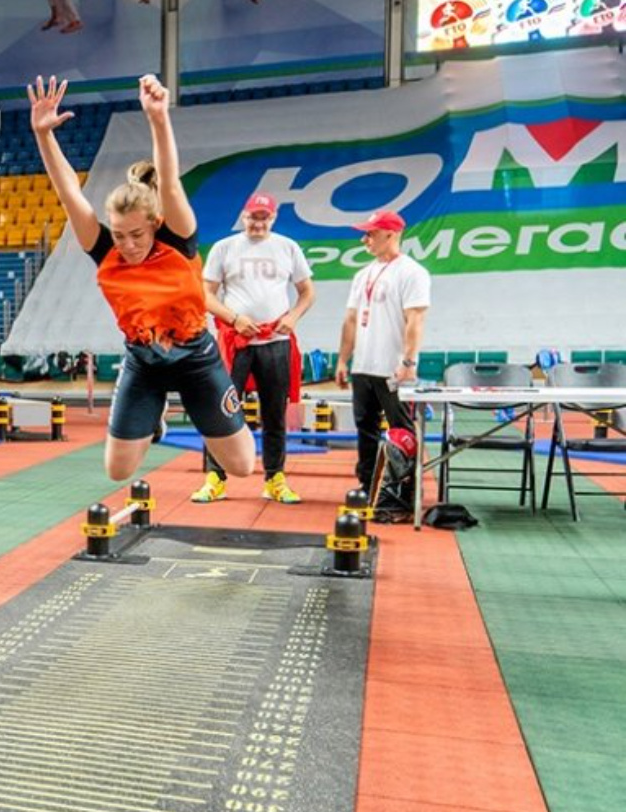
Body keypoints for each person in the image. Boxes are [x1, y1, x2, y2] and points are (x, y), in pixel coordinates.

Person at [30, 73, 254, 482]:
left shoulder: (178, 240)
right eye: (119, 235)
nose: (128, 244)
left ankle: (181, 411)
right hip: (143, 360)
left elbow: (169, 183)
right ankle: (154, 417)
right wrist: (44, 135)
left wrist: (158, 118)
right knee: (118, 471)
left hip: (195, 358)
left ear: (154, 224)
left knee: (241, 466)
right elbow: (68, 194)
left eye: (136, 234)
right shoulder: (105, 250)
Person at [193, 192, 315, 504]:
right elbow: (205, 295)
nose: (258, 223)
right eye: (253, 217)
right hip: (236, 343)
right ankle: (215, 479)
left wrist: (293, 316)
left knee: (274, 414)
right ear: (243, 216)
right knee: (220, 411)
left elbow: (307, 292)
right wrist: (234, 319)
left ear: (273, 218)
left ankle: (275, 478)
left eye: (264, 217)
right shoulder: (224, 248)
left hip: (276, 343)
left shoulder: (288, 247)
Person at [336, 210, 431, 489]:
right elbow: (351, 320)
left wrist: (408, 362)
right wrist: (343, 360)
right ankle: (368, 486)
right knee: (365, 429)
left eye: (370, 234)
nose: (364, 240)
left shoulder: (412, 273)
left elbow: (415, 320)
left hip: (393, 368)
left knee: (401, 431)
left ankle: (404, 490)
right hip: (363, 366)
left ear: (391, 234)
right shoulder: (362, 274)